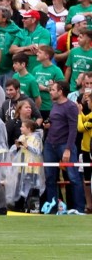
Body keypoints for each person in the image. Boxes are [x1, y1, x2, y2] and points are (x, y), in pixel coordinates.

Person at [42, 80, 86, 213]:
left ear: (61, 92)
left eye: (53, 90)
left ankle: (79, 208)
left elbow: (73, 129)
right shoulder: (54, 105)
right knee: (50, 178)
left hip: (64, 145)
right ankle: (52, 208)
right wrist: (48, 125)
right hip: (50, 144)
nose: (50, 92)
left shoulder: (71, 106)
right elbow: (57, 122)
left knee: (73, 178)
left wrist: (67, 149)